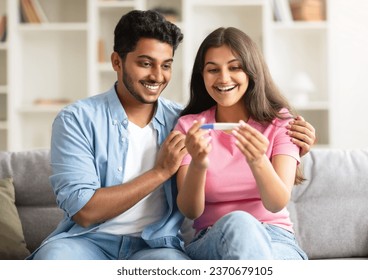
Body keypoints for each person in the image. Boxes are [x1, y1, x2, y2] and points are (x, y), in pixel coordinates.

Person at [28, 11, 315, 260]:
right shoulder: (78, 119)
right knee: (52, 262)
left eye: (166, 65)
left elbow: (276, 189)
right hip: (87, 242)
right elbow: (85, 211)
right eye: (145, 63)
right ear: (117, 62)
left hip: (156, 246)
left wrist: (295, 145)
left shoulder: (179, 118)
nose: (157, 75)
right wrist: (162, 170)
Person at [174, 27, 309, 260]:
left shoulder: (280, 123)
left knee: (250, 236)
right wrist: (198, 164)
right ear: (202, 76)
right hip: (212, 239)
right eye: (213, 69)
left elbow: (277, 203)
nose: (223, 78)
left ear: (251, 71)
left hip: (276, 239)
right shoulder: (190, 126)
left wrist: (258, 161)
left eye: (234, 67)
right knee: (240, 223)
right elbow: (190, 210)